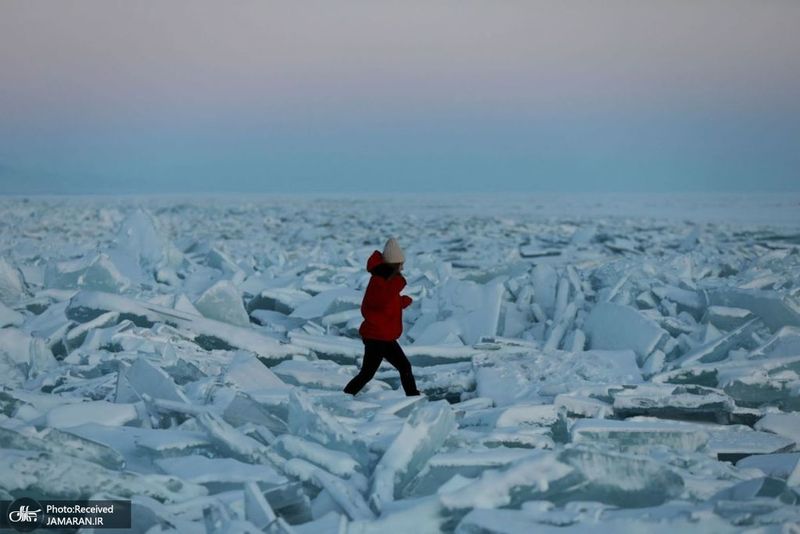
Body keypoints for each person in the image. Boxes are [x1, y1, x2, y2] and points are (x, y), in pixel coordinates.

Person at [344, 237, 421, 396]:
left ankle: (413, 397)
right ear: (395, 264)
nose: (403, 267)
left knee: (404, 367)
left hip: (385, 336)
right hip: (376, 338)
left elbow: (385, 302)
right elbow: (374, 305)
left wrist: (401, 302)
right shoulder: (380, 282)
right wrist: (398, 286)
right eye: (401, 263)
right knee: (367, 374)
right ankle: (344, 397)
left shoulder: (386, 282)